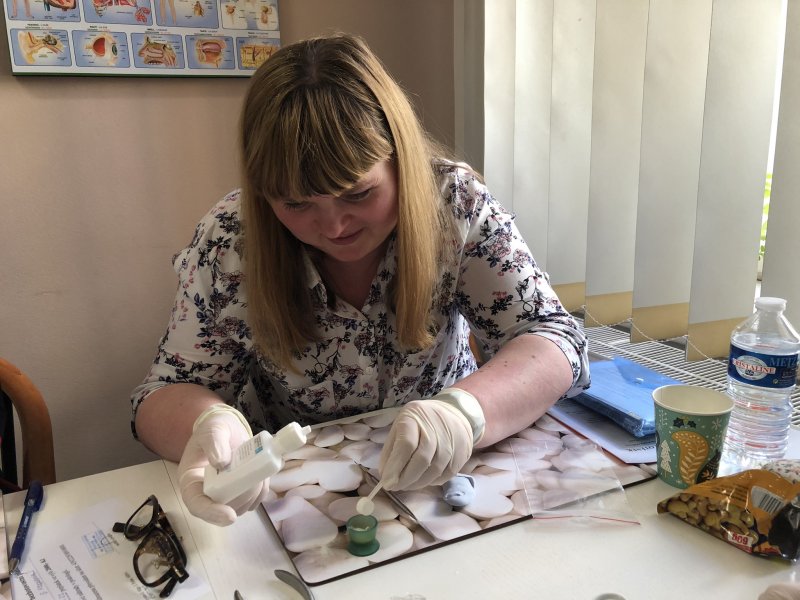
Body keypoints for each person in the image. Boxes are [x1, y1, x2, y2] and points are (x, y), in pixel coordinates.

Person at [131, 33, 590, 527]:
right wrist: (206, 424)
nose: (333, 227)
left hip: (446, 472)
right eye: (296, 204)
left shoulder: (456, 205)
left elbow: (553, 336)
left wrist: (464, 412)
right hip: (285, 493)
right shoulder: (231, 239)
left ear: (400, 161)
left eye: (357, 193)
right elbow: (165, 391)